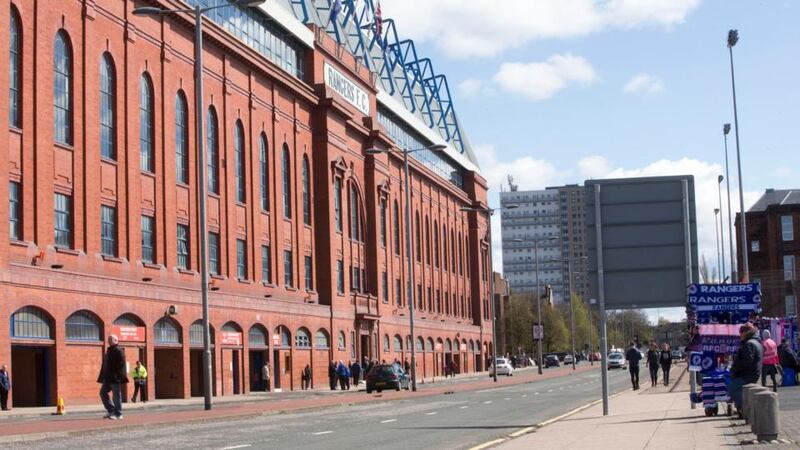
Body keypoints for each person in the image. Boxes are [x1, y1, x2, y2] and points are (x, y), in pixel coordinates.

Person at [730, 323, 763, 415]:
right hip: (752, 373)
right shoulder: (756, 342)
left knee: (733, 387)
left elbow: (746, 361)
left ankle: (745, 409)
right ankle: (743, 409)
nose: (739, 334)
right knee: (735, 387)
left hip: (748, 375)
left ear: (745, 332)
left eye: (741, 332)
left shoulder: (749, 344)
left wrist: (735, 369)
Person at [98, 335, 128, 420]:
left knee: (116, 396)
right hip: (107, 378)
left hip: (115, 378)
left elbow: (121, 365)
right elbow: (105, 364)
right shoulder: (109, 350)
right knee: (102, 393)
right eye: (108, 339)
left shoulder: (119, 350)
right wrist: (102, 375)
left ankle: (118, 413)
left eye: (111, 339)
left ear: (116, 340)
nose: (109, 340)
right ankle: (111, 410)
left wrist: (118, 376)